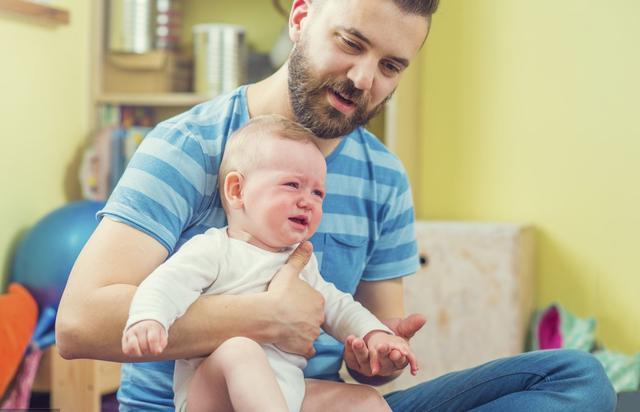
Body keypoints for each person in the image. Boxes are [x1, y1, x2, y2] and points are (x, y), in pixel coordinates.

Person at [57, 0, 617, 410]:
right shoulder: (189, 146)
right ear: (300, 18)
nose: (363, 78)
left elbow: (363, 363)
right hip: (201, 404)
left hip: (310, 399)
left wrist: (375, 352)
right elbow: (79, 324)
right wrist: (266, 319)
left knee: (577, 377)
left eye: (391, 66)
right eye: (351, 43)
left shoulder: (385, 178)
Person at [121, 115, 417, 412]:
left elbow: (339, 306)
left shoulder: (301, 263)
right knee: (240, 351)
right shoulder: (214, 249)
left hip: (287, 396)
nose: (308, 201)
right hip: (213, 397)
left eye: (318, 193)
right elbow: (166, 283)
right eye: (292, 185)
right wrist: (149, 318)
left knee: (365, 401)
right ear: (237, 190)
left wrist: (375, 335)